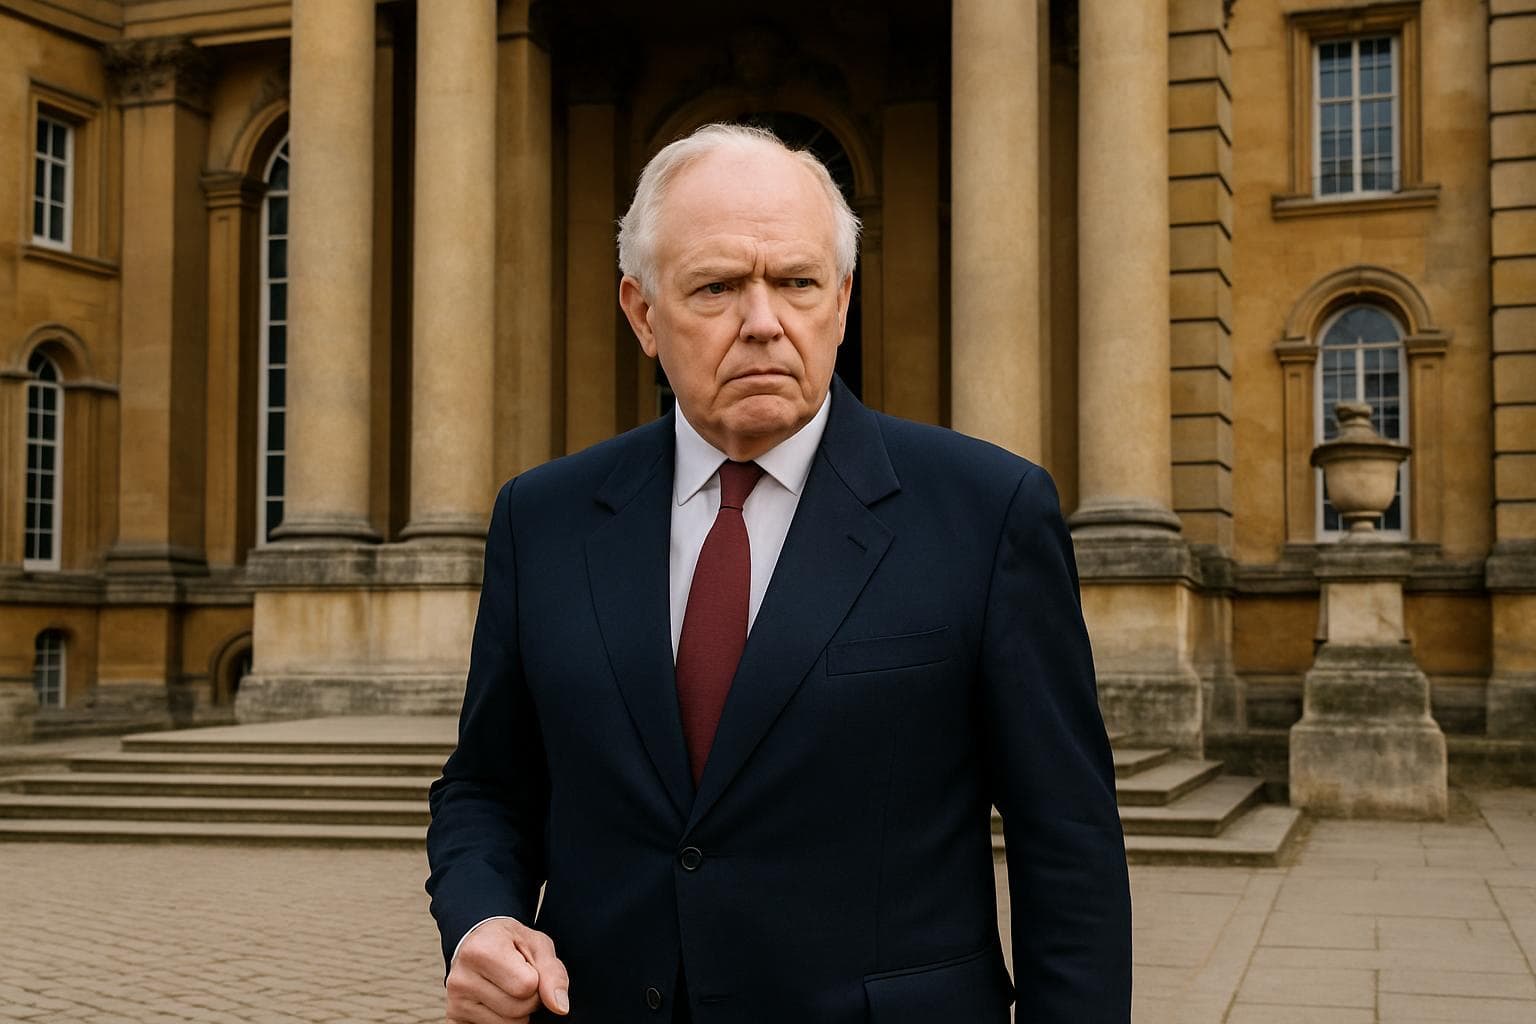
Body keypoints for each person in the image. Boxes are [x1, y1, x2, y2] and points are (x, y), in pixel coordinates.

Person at [426, 122, 1131, 1024]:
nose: (763, 322)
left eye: (796, 283)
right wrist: (481, 917)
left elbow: (1066, 842)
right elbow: (488, 784)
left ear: (840, 301)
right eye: (717, 287)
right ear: (642, 313)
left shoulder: (987, 512)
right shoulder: (544, 517)